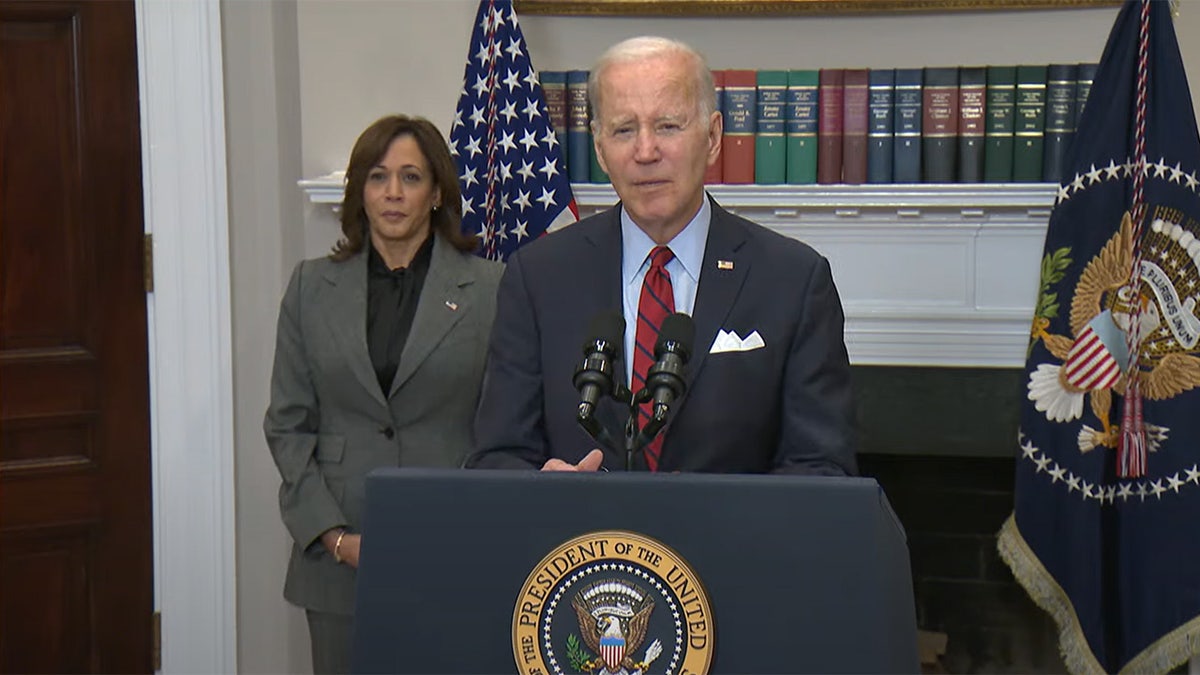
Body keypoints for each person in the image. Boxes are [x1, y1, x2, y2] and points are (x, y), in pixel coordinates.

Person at [468, 36, 856, 475]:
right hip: (584, 539)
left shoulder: (794, 280)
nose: (646, 152)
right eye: (624, 130)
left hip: (730, 543)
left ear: (712, 137)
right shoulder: (537, 277)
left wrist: (719, 518)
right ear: (599, 149)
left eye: (668, 126)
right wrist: (544, 493)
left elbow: (822, 466)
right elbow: (496, 456)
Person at [263, 114, 503, 673]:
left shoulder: (490, 288)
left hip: (452, 552)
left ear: (437, 191)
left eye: (411, 177)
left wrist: (463, 526)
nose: (393, 193)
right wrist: (333, 536)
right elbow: (287, 425)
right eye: (377, 177)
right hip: (337, 560)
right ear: (360, 192)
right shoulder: (310, 287)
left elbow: (504, 426)